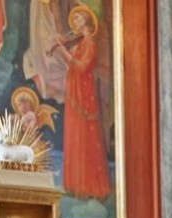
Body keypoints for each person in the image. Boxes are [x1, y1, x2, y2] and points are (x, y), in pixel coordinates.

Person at [53, 3, 111, 200]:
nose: (75, 22)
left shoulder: (90, 44)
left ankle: (91, 187)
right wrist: (61, 48)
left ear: (86, 21)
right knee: (74, 135)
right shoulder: (80, 43)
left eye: (77, 18)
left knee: (85, 136)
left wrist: (62, 51)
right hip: (75, 93)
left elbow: (81, 66)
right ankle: (74, 184)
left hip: (84, 97)